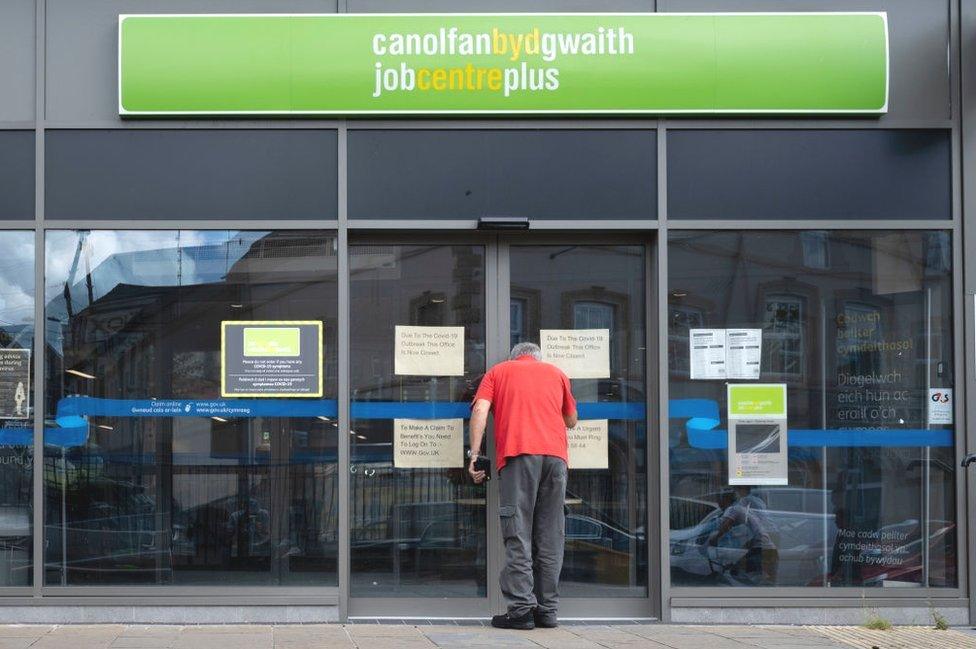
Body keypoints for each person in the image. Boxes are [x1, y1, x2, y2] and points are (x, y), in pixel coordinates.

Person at [468, 342, 577, 630]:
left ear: (514, 358)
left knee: (518, 532)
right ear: (537, 358)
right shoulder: (557, 374)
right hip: (556, 459)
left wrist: (475, 455)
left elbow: (480, 408)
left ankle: (521, 611)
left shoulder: (499, 372)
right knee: (551, 535)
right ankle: (547, 611)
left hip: (520, 455)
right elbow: (572, 420)